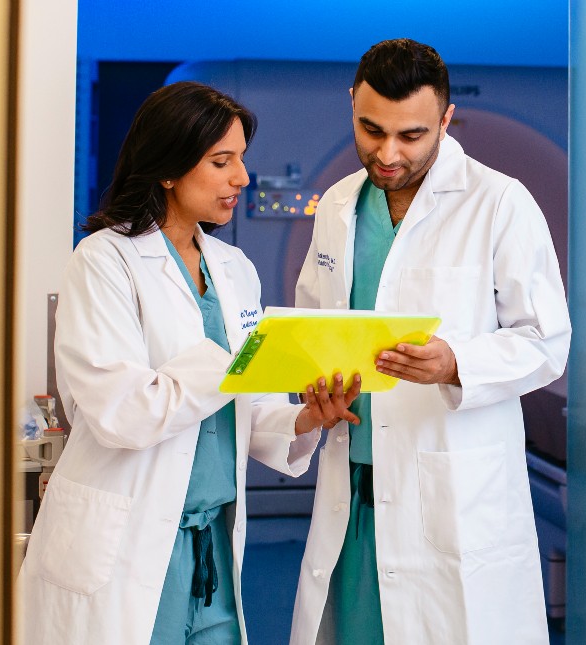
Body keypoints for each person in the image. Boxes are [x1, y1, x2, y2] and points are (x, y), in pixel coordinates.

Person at [18, 81, 360, 645]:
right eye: (221, 161)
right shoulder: (105, 260)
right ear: (169, 169)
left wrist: (304, 417)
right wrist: (232, 362)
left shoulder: (234, 268)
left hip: (213, 547)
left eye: (241, 160)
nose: (242, 178)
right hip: (127, 542)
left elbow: (244, 408)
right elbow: (119, 412)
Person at [291, 39, 572, 645]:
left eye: (412, 136)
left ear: (446, 120)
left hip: (451, 494)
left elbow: (547, 341)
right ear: (352, 107)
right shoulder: (338, 204)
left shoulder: (499, 202)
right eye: (371, 130)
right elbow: (315, 321)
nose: (388, 152)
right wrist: (312, 380)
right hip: (357, 483)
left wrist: (456, 363)